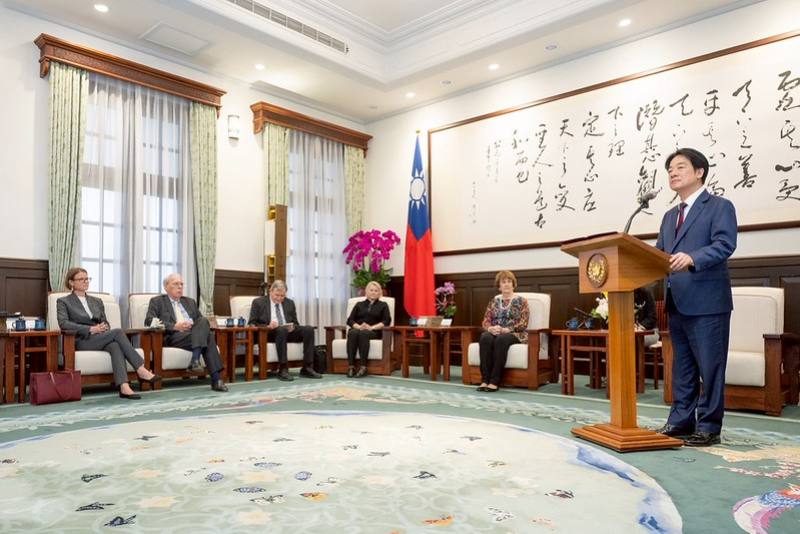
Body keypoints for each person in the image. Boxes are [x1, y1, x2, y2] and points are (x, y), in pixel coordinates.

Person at [655, 148, 737, 447]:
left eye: (680, 167)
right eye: (670, 170)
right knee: (683, 367)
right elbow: (660, 253)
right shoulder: (668, 216)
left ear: (700, 171)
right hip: (677, 300)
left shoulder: (719, 206)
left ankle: (709, 426)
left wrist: (692, 257)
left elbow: (725, 244)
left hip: (708, 300)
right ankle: (679, 421)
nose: (672, 173)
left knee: (710, 366)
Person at [57, 267, 161, 400]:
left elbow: (105, 322)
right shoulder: (64, 301)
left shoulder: (96, 301)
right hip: (81, 340)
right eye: (81, 279)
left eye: (87, 278)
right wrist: (90, 329)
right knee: (117, 332)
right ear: (71, 282)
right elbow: (64, 323)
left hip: (100, 337)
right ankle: (141, 369)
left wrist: (103, 327)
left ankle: (124, 387)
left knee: (115, 346)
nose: (85, 281)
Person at [145, 273, 228, 392]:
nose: (180, 287)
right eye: (176, 284)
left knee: (204, 321)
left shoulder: (190, 302)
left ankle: (195, 360)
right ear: (166, 287)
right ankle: (216, 379)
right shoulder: (157, 301)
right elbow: (148, 321)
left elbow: (201, 322)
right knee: (208, 337)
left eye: (181, 284)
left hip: (193, 334)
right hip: (174, 336)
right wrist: (174, 326)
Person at [248, 280, 322, 381]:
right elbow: (252, 323)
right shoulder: (258, 302)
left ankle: (307, 367)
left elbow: (295, 322)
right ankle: (283, 369)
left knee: (308, 329)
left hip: (287, 332)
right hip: (269, 333)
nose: (279, 298)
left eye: (282, 296)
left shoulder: (289, 303)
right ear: (270, 291)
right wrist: (268, 326)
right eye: (277, 295)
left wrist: (293, 326)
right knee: (281, 330)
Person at [477, 270, 530, 392]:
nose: (506, 284)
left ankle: (495, 381)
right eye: (503, 282)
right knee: (485, 337)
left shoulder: (522, 301)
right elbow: (486, 321)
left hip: (515, 333)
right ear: (499, 286)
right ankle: (485, 380)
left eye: (509, 281)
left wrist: (507, 329)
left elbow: (524, 323)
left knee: (501, 339)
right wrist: (491, 328)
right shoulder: (494, 301)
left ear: (513, 284)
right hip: (496, 331)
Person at [344, 281, 391, 378]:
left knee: (364, 333)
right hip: (359, 328)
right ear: (367, 291)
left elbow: (386, 321)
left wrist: (371, 327)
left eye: (376, 290)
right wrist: (359, 326)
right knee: (352, 333)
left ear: (379, 293)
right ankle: (351, 366)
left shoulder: (383, 305)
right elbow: (350, 320)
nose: (373, 292)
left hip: (374, 331)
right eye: (371, 290)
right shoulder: (359, 304)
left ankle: (363, 367)